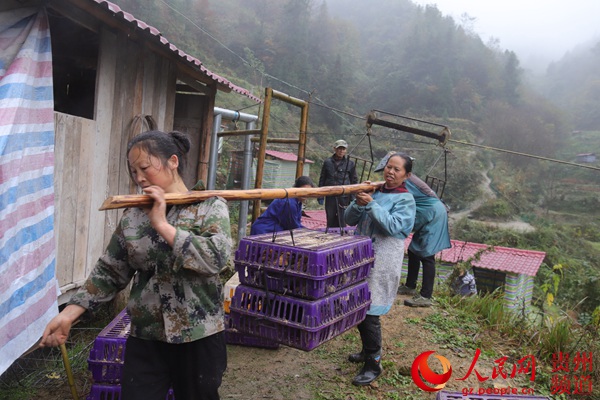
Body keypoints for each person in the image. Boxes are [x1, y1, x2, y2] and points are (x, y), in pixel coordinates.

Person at [40, 130, 232, 400]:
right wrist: (68, 315)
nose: (139, 178)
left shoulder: (209, 207)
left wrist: (162, 225)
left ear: (173, 161)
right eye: (133, 171)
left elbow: (216, 258)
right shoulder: (133, 216)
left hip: (198, 335)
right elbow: (109, 271)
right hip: (146, 338)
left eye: (144, 167)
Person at [343, 153, 416, 386]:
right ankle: (366, 352)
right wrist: (358, 201)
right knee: (359, 307)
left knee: (370, 311)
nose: (390, 172)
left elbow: (393, 226)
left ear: (407, 175)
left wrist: (372, 204)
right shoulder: (375, 191)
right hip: (361, 257)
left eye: (397, 169)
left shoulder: (406, 200)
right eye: (388, 167)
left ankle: (373, 364)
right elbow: (349, 219)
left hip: (382, 260)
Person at [397, 174, 451, 307]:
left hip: (432, 213)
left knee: (427, 255)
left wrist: (407, 227)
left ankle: (426, 296)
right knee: (413, 251)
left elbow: (418, 212)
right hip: (429, 211)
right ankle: (410, 286)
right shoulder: (408, 179)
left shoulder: (406, 180)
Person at [250, 176, 314, 235]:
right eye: (303, 191)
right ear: (296, 188)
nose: (305, 194)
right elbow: (293, 226)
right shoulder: (290, 203)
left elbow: (296, 223)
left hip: (272, 231)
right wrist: (309, 233)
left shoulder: (297, 201)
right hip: (264, 231)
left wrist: (309, 231)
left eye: (308, 192)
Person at [318, 139, 358, 227]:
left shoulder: (350, 164)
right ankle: (331, 236)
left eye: (343, 149)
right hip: (330, 195)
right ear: (335, 149)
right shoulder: (327, 162)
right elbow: (322, 179)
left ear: (346, 150)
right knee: (330, 218)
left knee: (342, 220)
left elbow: (354, 181)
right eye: (339, 149)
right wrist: (320, 195)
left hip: (344, 197)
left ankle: (342, 237)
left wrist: (353, 197)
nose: (341, 151)